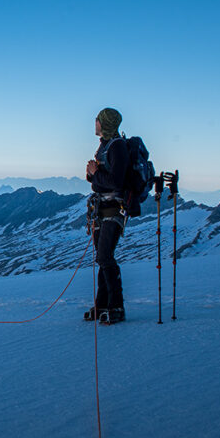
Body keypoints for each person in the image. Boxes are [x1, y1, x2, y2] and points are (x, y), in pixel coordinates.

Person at [85, 108, 129, 324]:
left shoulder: (118, 146)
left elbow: (116, 182)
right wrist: (92, 175)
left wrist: (95, 173)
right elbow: (101, 180)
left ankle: (116, 306)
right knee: (103, 258)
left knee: (105, 257)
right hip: (102, 209)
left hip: (113, 208)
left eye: (98, 120)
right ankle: (103, 305)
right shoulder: (106, 145)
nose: (95, 123)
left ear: (106, 123)